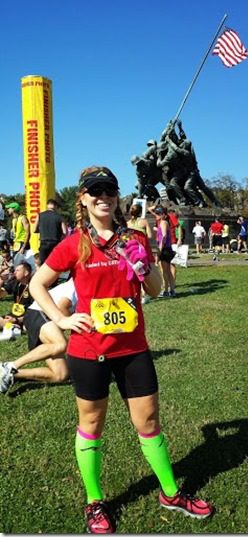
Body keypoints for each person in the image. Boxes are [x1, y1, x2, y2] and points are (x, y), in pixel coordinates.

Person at [28, 165, 213, 534]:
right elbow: (37, 284)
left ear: (117, 196)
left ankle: (171, 493)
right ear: (83, 199)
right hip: (88, 350)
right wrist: (62, 321)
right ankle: (95, 502)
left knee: (148, 423)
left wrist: (144, 267)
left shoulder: (135, 239)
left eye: (108, 190)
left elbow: (156, 291)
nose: (102, 197)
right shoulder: (75, 243)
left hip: (132, 350)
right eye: (94, 191)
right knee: (92, 424)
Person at [0, 278, 77, 394]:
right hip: (39, 312)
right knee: (60, 344)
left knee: (60, 374)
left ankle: (12, 375)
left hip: (45, 321)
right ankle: (10, 366)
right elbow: (63, 306)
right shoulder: (78, 284)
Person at [127, 203, 152, 304]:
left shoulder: (127, 223)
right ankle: (145, 293)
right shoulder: (144, 222)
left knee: (135, 270)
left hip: (132, 249)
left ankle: (136, 292)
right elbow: (150, 236)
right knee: (145, 270)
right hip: (143, 248)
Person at [0, 261, 33, 336]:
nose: (14, 272)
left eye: (18, 270)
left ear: (26, 273)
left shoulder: (34, 286)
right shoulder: (15, 283)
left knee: (27, 327)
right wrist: (1, 280)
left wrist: (17, 320)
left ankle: (16, 327)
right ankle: (14, 328)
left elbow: (37, 311)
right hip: (13, 316)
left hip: (27, 317)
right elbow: (1, 294)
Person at [33, 198, 67, 264]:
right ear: (56, 206)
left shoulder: (40, 215)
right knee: (55, 263)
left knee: (43, 264)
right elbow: (65, 232)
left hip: (44, 243)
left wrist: (42, 230)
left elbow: (34, 230)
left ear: (47, 205)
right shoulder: (60, 217)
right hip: (55, 243)